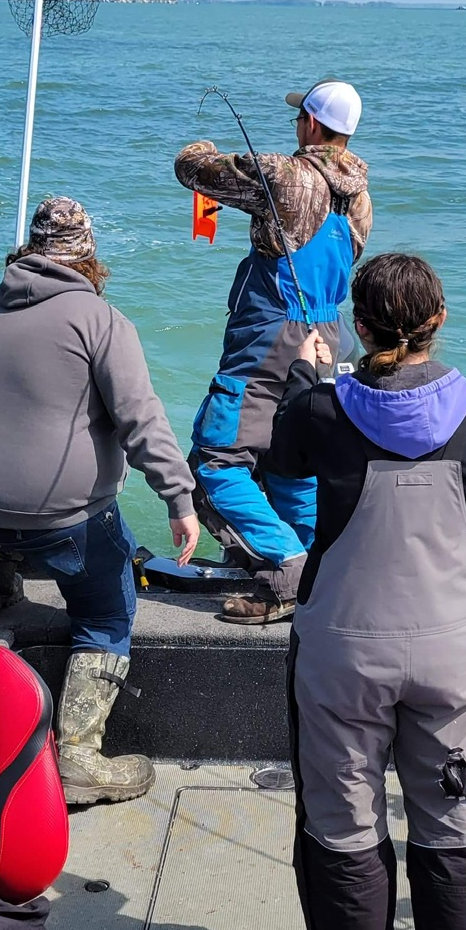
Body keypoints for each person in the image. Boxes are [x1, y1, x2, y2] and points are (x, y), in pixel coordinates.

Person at [267, 252, 466, 930]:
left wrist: (310, 376)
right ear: (438, 320)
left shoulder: (320, 408)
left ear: (361, 324)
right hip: (453, 646)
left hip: (342, 647)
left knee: (342, 820)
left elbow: (281, 463)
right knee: (449, 828)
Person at [0, 196, 200, 806]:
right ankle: (77, 752)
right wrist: (180, 498)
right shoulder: (101, 321)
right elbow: (141, 418)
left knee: (16, 495)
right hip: (52, 513)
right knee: (106, 609)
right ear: (88, 255)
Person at [175, 79, 372, 624]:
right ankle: (318, 577)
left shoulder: (285, 178)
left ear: (311, 123)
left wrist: (205, 149)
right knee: (293, 465)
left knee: (214, 464)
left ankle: (286, 569)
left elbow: (192, 169)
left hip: (272, 337)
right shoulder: (358, 196)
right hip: (332, 339)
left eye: (298, 120)